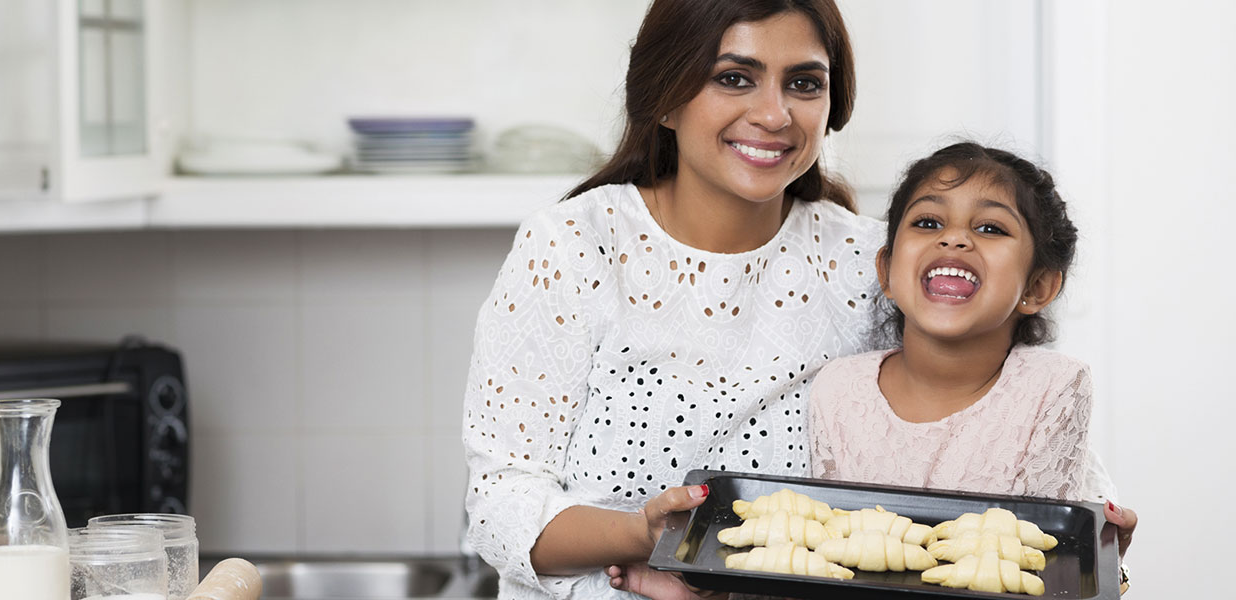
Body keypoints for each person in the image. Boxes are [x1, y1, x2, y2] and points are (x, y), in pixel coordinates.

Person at [462, 2, 1135, 599]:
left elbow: (1012, 420)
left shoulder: (868, 263)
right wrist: (644, 537)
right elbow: (499, 506)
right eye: (735, 77)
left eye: (804, 84)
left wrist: (1096, 546)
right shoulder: (575, 247)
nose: (775, 114)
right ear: (664, 99)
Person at [811, 142, 1097, 501]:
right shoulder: (837, 389)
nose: (954, 238)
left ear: (1037, 287)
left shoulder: (1053, 387)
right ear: (887, 272)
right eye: (928, 222)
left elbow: (1037, 544)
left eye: (990, 229)